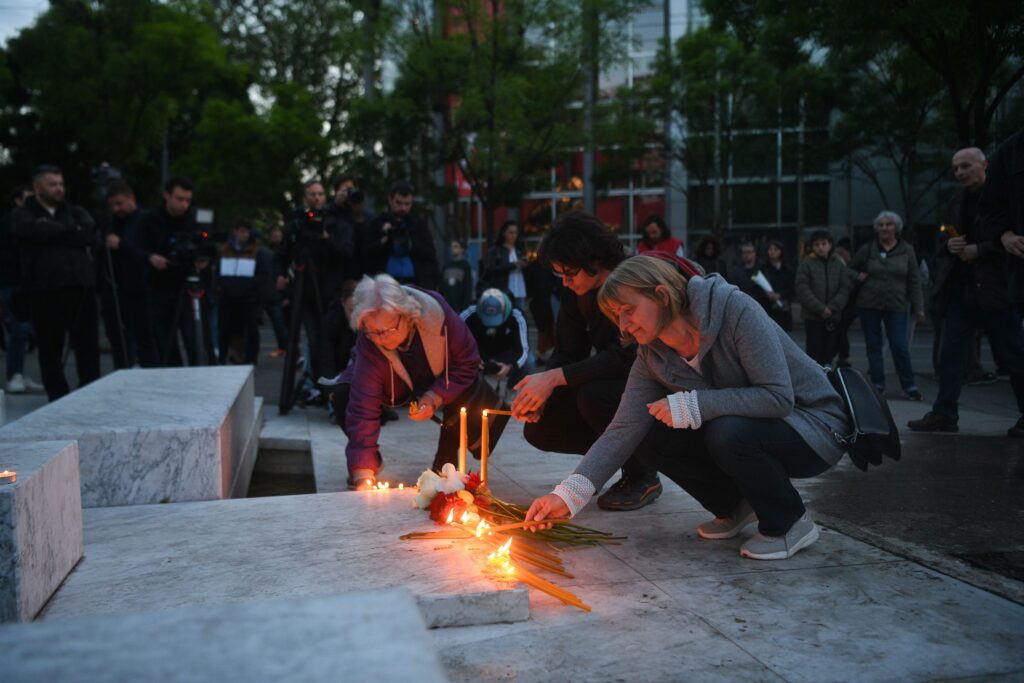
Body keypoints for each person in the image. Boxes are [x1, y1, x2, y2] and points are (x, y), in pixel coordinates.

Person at [524, 256, 850, 560]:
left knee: (728, 432)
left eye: (628, 310)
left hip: (815, 425)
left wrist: (695, 404)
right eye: (616, 316)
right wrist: (569, 495)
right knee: (649, 433)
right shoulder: (651, 354)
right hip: (751, 427)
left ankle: (790, 521)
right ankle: (737, 505)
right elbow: (622, 429)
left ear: (662, 295)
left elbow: (778, 397)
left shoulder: (735, 311)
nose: (623, 326)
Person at [511, 211, 663, 512]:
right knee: (542, 424)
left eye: (570, 273)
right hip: (615, 377)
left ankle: (642, 472)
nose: (566, 282)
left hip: (653, 384)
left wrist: (554, 378)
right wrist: (543, 389)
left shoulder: (631, 280)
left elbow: (626, 357)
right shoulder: (576, 292)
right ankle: (609, 461)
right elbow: (568, 351)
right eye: (560, 276)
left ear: (594, 259)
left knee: (594, 397)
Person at [335, 274, 504, 489]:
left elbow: (467, 362)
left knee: (463, 393)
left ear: (406, 315)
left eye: (387, 330)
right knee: (343, 393)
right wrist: (362, 473)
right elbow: (363, 407)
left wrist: (434, 396)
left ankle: (444, 469)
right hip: (394, 383)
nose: (381, 339)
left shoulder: (438, 315)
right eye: (372, 332)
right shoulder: (370, 343)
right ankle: (370, 461)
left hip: (438, 374)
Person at [909, 141, 1024, 436]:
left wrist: (979, 250)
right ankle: (945, 413)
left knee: (1011, 355)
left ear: (984, 165)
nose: (959, 172)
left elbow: (1010, 243)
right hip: (961, 290)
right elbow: (941, 242)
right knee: (950, 355)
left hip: (996, 290)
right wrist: (948, 245)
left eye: (965, 166)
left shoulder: (1004, 200)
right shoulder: (956, 202)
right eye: (956, 168)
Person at [11, 165, 101, 401]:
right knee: (50, 349)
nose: (59, 189)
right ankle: (58, 398)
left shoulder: (74, 210)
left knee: (87, 347)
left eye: (60, 184)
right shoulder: (23, 213)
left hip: (81, 288)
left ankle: (89, 396)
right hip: (45, 291)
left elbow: (90, 235)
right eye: (52, 184)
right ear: (38, 186)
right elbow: (30, 232)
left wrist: (53, 232)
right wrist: (70, 233)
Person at [851, 211, 925, 400]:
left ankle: (909, 385)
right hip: (869, 303)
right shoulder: (868, 249)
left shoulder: (907, 250)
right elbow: (849, 268)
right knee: (873, 346)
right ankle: (877, 384)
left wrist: (919, 307)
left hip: (897, 304)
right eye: (881, 225)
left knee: (899, 345)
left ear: (896, 228)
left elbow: (914, 279)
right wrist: (856, 276)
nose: (884, 228)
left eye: (888, 224)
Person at [135, 176, 203, 366]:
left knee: (193, 340)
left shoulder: (193, 219)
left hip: (188, 287)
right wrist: (151, 258)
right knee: (165, 342)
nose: (184, 205)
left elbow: (204, 245)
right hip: (159, 288)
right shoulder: (149, 220)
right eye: (179, 199)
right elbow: (136, 250)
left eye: (188, 200)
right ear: (167, 196)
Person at [100, 179, 156, 368]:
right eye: (113, 205)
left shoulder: (146, 220)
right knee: (119, 339)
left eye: (120, 203)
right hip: (117, 289)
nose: (117, 209)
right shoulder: (110, 223)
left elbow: (149, 253)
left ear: (131, 199)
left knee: (146, 338)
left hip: (142, 288)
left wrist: (122, 245)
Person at [0, 185, 43, 393]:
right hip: (12, 283)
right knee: (20, 328)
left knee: (27, 331)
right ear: (18, 201)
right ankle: (14, 374)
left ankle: (19, 373)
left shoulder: (29, 221)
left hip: (27, 284)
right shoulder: (8, 223)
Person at [363, 181, 439, 289]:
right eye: (399, 203)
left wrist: (410, 243)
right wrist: (384, 238)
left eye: (407, 204)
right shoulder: (377, 223)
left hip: (415, 284)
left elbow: (430, 254)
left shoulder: (418, 224)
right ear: (390, 200)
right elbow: (367, 254)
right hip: (385, 285)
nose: (403, 208)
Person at [217, 220, 273, 365]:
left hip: (248, 299)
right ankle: (225, 357)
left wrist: (250, 288)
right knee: (226, 329)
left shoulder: (256, 252)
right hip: (227, 298)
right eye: (241, 231)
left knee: (251, 330)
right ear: (235, 232)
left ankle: (250, 360)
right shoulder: (224, 250)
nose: (244, 235)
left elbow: (263, 274)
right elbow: (217, 273)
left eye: (246, 232)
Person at [795, 230, 850, 366]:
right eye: (817, 244)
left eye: (824, 243)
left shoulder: (838, 263)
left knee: (831, 346)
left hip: (833, 315)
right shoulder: (807, 263)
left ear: (830, 245)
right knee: (814, 347)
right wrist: (820, 308)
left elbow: (845, 287)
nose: (820, 247)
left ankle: (828, 373)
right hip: (813, 315)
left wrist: (832, 307)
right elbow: (802, 287)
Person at [461, 288, 531, 388]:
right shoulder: (470, 312)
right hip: (478, 354)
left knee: (528, 363)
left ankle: (513, 392)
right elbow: (455, 340)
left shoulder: (516, 314)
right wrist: (472, 358)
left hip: (506, 353)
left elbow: (523, 349)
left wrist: (511, 366)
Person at [330, 174, 374, 279]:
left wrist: (358, 215)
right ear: (337, 192)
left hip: (361, 272)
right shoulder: (331, 213)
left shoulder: (367, 215)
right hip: (336, 273)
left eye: (351, 189)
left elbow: (368, 243)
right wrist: (336, 206)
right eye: (345, 190)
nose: (349, 193)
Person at [481, 220, 529, 311]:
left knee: (520, 317)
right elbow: (490, 268)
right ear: (504, 233)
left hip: (520, 290)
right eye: (511, 232)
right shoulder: (496, 251)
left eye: (515, 233)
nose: (514, 235)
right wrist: (513, 265)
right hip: (503, 291)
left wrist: (525, 265)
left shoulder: (519, 250)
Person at [832, 237, 859, 368]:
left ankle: (842, 356)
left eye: (842, 253)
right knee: (840, 331)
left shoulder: (850, 265)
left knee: (840, 331)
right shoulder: (840, 264)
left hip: (848, 305)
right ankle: (842, 356)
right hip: (842, 304)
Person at [728, 240, 772, 311]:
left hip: (761, 306)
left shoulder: (763, 269)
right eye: (744, 252)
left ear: (754, 253)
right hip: (742, 305)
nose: (747, 254)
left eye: (749, 252)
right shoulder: (735, 271)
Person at [763, 239, 795, 331]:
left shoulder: (788, 268)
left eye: (775, 249)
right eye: (770, 249)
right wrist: (768, 294)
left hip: (783, 307)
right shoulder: (764, 268)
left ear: (781, 251)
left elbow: (792, 288)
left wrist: (780, 295)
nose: (772, 252)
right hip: (768, 307)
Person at [439, 240, 475, 313]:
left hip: (459, 308)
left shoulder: (466, 266)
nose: (452, 249)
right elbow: (441, 286)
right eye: (451, 247)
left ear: (461, 249)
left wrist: (465, 307)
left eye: (455, 246)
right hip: (446, 307)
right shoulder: (446, 266)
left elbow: (468, 288)